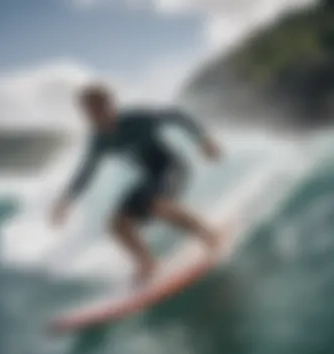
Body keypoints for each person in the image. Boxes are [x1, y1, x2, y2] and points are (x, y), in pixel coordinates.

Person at [51, 82, 224, 283]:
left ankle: (210, 235)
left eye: (97, 108)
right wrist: (66, 200)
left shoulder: (138, 120)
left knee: (159, 205)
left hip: (171, 169)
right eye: (88, 111)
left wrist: (204, 139)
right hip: (150, 178)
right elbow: (86, 171)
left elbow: (176, 115)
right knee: (116, 224)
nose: (94, 116)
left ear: (110, 105)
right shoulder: (100, 140)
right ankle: (147, 263)